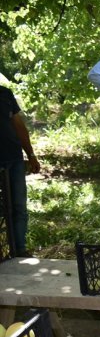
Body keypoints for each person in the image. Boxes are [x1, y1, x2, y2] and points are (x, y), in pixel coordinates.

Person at [0, 85, 40, 258]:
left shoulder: (4, 93)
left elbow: (18, 125)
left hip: (14, 159)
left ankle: (20, 250)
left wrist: (30, 154)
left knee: (19, 206)